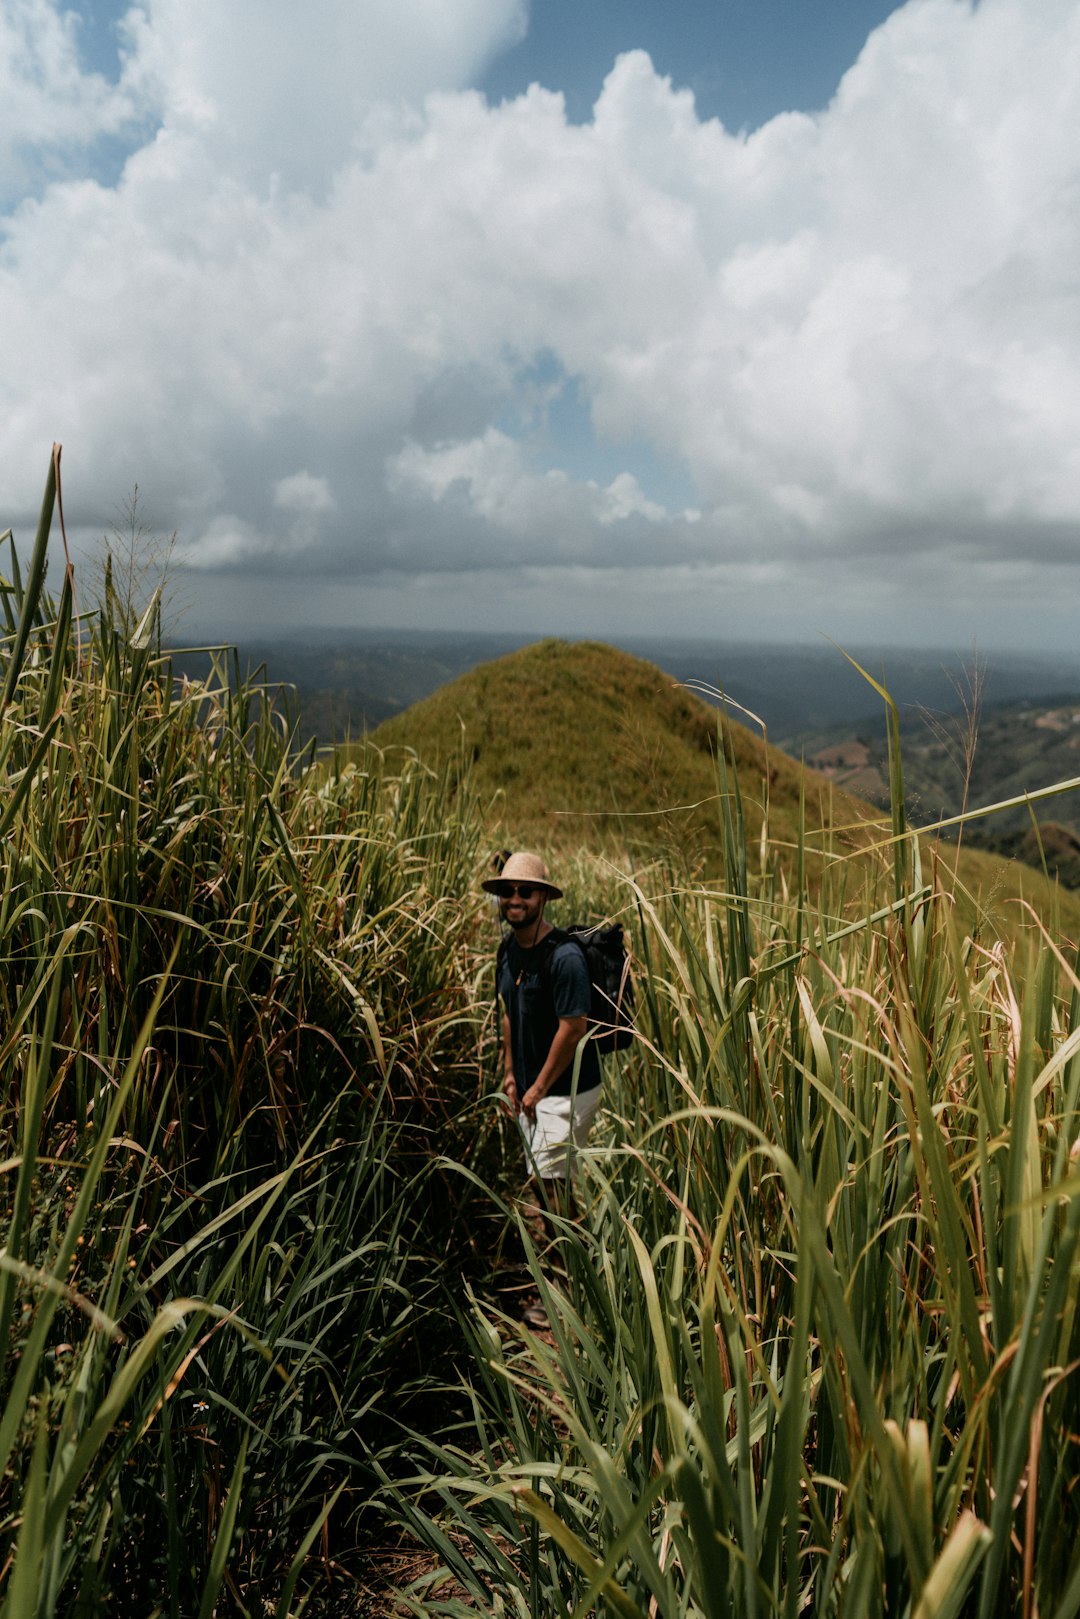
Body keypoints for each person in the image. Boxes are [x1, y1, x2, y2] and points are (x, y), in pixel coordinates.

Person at [482, 851, 601, 1222]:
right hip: (534, 1088)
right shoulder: (508, 950)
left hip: (567, 1090)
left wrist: (539, 1088)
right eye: (508, 892)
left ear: (543, 898)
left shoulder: (565, 958)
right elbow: (508, 1013)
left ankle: (556, 1274)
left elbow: (573, 1029)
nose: (515, 899)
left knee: (545, 1191)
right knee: (545, 1186)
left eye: (525, 892)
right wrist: (511, 1074)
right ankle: (575, 1262)